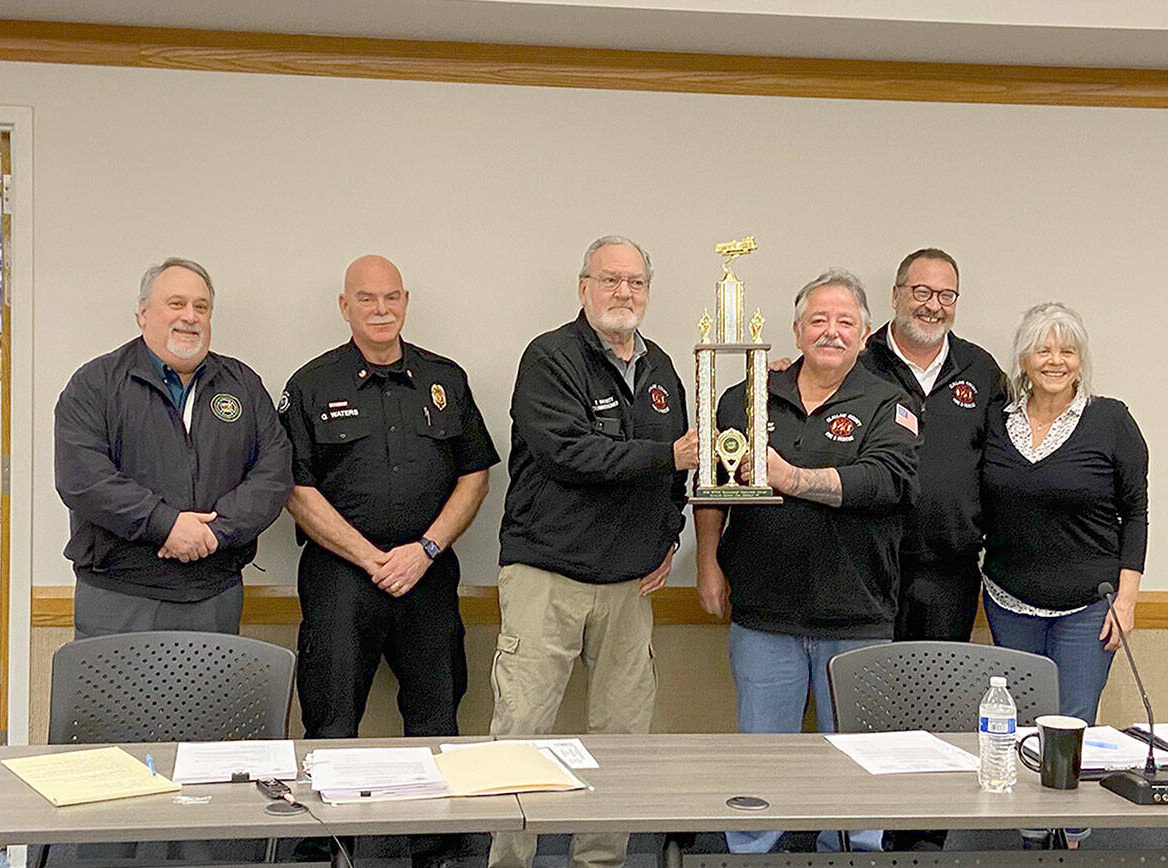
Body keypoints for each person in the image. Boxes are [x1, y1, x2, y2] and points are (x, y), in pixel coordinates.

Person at [279, 255, 498, 868]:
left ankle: (435, 845)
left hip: (427, 573)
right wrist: (371, 556)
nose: (381, 310)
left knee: (436, 710)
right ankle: (328, 843)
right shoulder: (312, 385)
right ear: (344, 306)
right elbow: (296, 491)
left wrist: (424, 550)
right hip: (342, 575)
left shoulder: (445, 378)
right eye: (367, 299)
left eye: (392, 298)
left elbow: (474, 475)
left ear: (406, 301)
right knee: (331, 714)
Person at [489, 236, 698, 868]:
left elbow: (678, 477)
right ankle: (509, 862)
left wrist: (666, 538)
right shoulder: (550, 358)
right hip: (546, 576)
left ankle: (600, 860)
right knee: (521, 736)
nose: (623, 293)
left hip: (628, 587)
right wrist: (665, 456)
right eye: (610, 280)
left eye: (635, 282)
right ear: (583, 287)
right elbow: (567, 454)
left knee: (623, 739)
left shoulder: (661, 368)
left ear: (648, 291)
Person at [695, 268, 920, 855]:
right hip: (763, 615)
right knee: (760, 759)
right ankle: (750, 852)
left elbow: (885, 482)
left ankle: (851, 853)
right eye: (818, 320)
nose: (831, 332)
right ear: (796, 331)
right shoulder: (746, 394)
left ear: (866, 333)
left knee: (855, 763)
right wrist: (707, 564)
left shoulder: (889, 403)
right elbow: (713, 482)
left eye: (845, 321)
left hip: (857, 615)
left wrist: (792, 478)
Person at [54, 257, 292, 639]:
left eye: (201, 307)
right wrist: (165, 525)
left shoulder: (243, 385)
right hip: (119, 595)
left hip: (215, 593)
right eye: (176, 304)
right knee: (117, 702)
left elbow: (274, 471)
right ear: (143, 313)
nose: (190, 316)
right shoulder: (96, 384)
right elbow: (83, 479)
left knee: (211, 702)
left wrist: (216, 532)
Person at [981, 303, 1147, 848]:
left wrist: (1126, 601)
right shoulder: (995, 419)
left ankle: (1071, 839)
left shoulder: (1111, 419)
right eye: (1043, 349)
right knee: (1023, 725)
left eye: (1067, 350)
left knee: (1072, 727)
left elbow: (1136, 512)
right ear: (1023, 360)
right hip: (1010, 601)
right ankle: (1031, 836)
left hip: (1088, 606)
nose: (1055, 360)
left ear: (1081, 360)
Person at [859, 249, 1008, 646]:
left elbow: (1006, 461)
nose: (933, 306)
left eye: (946, 295)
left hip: (950, 571)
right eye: (922, 292)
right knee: (869, 697)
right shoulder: (857, 364)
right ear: (895, 295)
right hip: (867, 567)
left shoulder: (981, 369)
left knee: (939, 698)